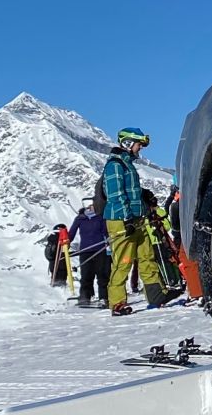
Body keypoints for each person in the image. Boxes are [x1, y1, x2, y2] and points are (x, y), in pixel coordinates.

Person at [103, 127, 166, 315]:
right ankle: (117, 303)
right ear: (128, 144)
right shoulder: (115, 165)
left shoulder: (128, 164)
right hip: (121, 220)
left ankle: (156, 295)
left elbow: (130, 191)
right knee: (123, 261)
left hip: (137, 219)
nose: (140, 149)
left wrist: (144, 196)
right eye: (139, 145)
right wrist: (127, 218)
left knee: (147, 256)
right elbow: (115, 195)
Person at [68, 199, 112, 308]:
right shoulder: (80, 219)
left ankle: (104, 298)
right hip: (85, 250)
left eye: (92, 205)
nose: (90, 207)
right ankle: (85, 297)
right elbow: (72, 232)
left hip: (100, 249)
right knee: (86, 275)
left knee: (102, 275)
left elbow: (105, 232)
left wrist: (109, 242)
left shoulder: (100, 218)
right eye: (88, 206)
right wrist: (66, 241)